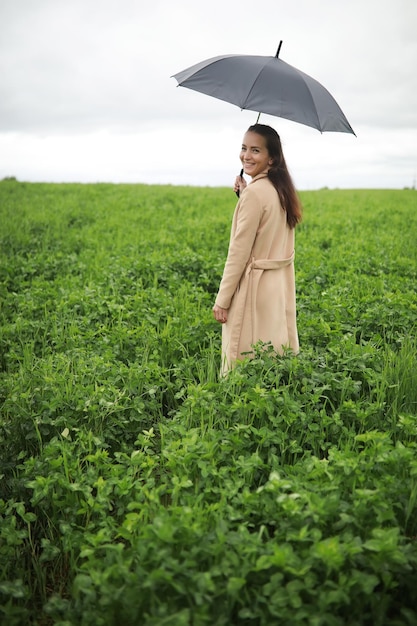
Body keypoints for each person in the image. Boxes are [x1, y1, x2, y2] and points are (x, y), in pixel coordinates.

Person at [212, 124, 302, 375]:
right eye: (243, 148)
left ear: (271, 159)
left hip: (254, 290)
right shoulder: (281, 191)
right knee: (272, 358)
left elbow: (238, 254)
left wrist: (223, 299)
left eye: (255, 150)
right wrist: (245, 194)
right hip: (277, 287)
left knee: (243, 365)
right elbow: (267, 228)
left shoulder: (256, 194)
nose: (246, 156)